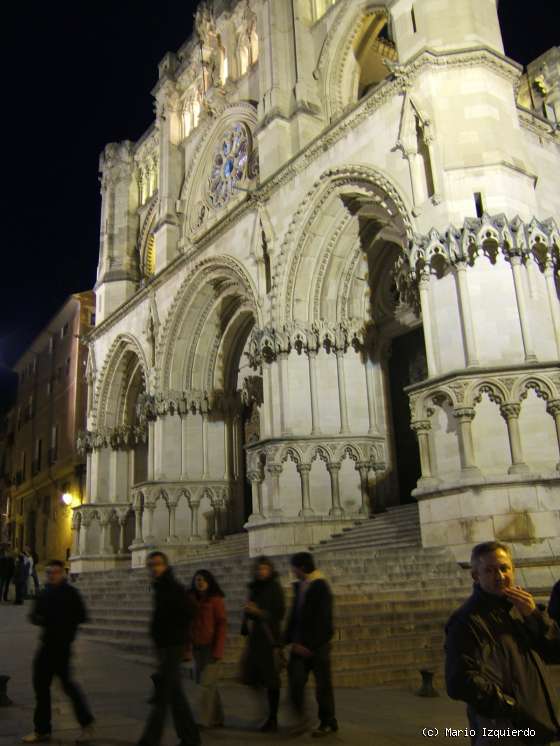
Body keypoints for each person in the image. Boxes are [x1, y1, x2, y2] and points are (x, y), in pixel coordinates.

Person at [445, 541, 560, 746]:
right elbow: (459, 681)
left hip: (537, 727)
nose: (499, 577)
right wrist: (511, 708)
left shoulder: (521, 609)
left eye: (504, 568)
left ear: (513, 570)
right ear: (475, 576)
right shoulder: (466, 620)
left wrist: (535, 617)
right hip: (503, 732)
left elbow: (555, 652)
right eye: (489, 570)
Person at [22, 559, 95, 744]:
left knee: (69, 686)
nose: (52, 575)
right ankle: (42, 730)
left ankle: (86, 723)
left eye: (55, 572)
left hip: (62, 647)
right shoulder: (44, 592)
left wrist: (65, 629)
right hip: (46, 646)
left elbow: (82, 615)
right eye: (49, 573)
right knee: (41, 688)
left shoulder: (71, 594)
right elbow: (34, 615)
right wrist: (42, 620)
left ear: (62, 573)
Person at [138, 551, 200, 746]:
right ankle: (191, 737)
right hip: (166, 646)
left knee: (163, 698)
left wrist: (183, 642)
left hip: (173, 646)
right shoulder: (161, 586)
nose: (154, 568)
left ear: (165, 565)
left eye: (157, 564)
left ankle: (150, 740)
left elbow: (189, 612)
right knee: (174, 694)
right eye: (151, 565)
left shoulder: (172, 587)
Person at [284, 551, 337, 738]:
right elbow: (295, 616)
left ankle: (328, 721)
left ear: (302, 567)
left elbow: (324, 621)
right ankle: (301, 719)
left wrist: (309, 645)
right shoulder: (300, 586)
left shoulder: (320, 586)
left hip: (317, 646)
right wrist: (286, 640)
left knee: (323, 686)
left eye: (295, 567)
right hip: (299, 646)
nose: (293, 571)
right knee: (295, 682)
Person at [240, 556, 286, 732]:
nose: (261, 572)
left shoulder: (274, 588)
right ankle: (267, 712)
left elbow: (279, 613)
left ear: (270, 570)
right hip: (256, 639)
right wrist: (248, 613)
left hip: (270, 639)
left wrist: (258, 611)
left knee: (271, 680)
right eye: (259, 569)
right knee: (251, 677)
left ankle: (272, 717)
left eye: (265, 568)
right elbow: (251, 611)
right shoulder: (254, 587)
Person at [189, 569, 227, 729]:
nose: (200, 582)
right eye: (197, 579)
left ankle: (204, 720)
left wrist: (218, 650)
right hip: (198, 648)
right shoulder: (191, 599)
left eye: (203, 580)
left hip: (211, 648)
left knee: (205, 684)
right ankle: (217, 718)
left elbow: (221, 625)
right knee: (209, 684)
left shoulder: (215, 600)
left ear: (209, 582)